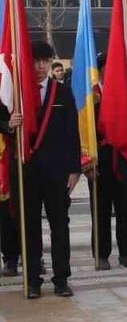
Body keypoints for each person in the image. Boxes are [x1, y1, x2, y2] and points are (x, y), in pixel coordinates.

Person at [3, 42, 81, 298]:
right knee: (28, 225)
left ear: (51, 62)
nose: (39, 66)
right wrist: (8, 124)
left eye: (45, 61)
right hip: (24, 169)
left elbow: (72, 131)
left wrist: (74, 168)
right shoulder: (14, 91)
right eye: (35, 61)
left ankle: (61, 278)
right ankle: (33, 279)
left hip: (57, 171)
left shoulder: (62, 91)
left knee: (60, 224)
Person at [87, 52, 127, 271]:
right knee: (100, 211)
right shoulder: (90, 95)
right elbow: (82, 131)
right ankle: (101, 254)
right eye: (107, 67)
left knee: (126, 209)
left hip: (123, 159)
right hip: (99, 162)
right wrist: (86, 163)